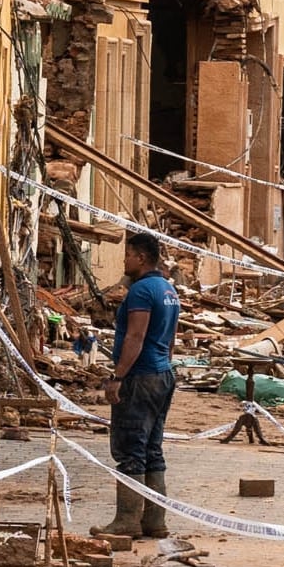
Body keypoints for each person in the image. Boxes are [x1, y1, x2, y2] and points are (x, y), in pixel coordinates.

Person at [109, 227, 181, 539]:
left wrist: (118, 376)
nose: (123, 260)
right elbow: (172, 337)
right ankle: (154, 520)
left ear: (140, 257)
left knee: (130, 448)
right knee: (152, 448)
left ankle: (126, 521)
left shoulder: (141, 292)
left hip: (141, 376)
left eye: (127, 255)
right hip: (163, 373)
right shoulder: (167, 289)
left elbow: (135, 336)